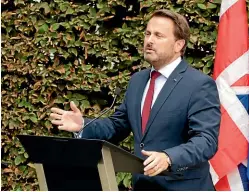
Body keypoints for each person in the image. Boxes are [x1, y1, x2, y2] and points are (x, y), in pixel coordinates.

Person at [49, 9, 221, 191]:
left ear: (179, 45)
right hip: (142, 186)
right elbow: (118, 125)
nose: (150, 40)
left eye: (158, 35)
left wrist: (169, 157)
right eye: (147, 34)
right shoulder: (138, 80)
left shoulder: (199, 84)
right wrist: (83, 124)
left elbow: (206, 140)